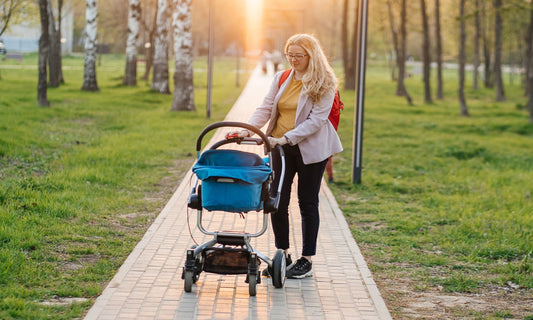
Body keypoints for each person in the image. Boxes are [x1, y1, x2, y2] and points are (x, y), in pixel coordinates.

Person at [230, 34, 342, 279]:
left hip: (311, 148)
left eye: (298, 56)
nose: (293, 60)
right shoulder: (282, 77)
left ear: (311, 56)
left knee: (307, 201)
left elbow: (317, 120)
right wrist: (245, 128)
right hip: (279, 147)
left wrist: (287, 137)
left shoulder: (325, 81)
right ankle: (283, 254)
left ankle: (307, 260)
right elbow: (266, 107)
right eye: (289, 55)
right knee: (276, 199)